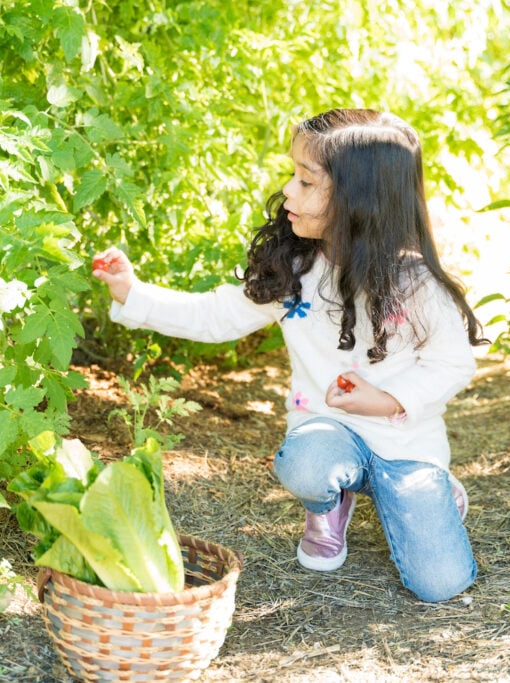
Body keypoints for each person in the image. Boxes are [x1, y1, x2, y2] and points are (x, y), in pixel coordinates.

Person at [92, 108, 488, 603]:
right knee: (303, 462)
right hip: (327, 433)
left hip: (405, 442)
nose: (288, 191)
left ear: (357, 199)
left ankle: (426, 495)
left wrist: (387, 400)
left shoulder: (416, 285)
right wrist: (133, 293)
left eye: (305, 181)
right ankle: (330, 498)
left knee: (440, 585)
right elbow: (216, 316)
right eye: (293, 176)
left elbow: (454, 363)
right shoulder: (294, 268)